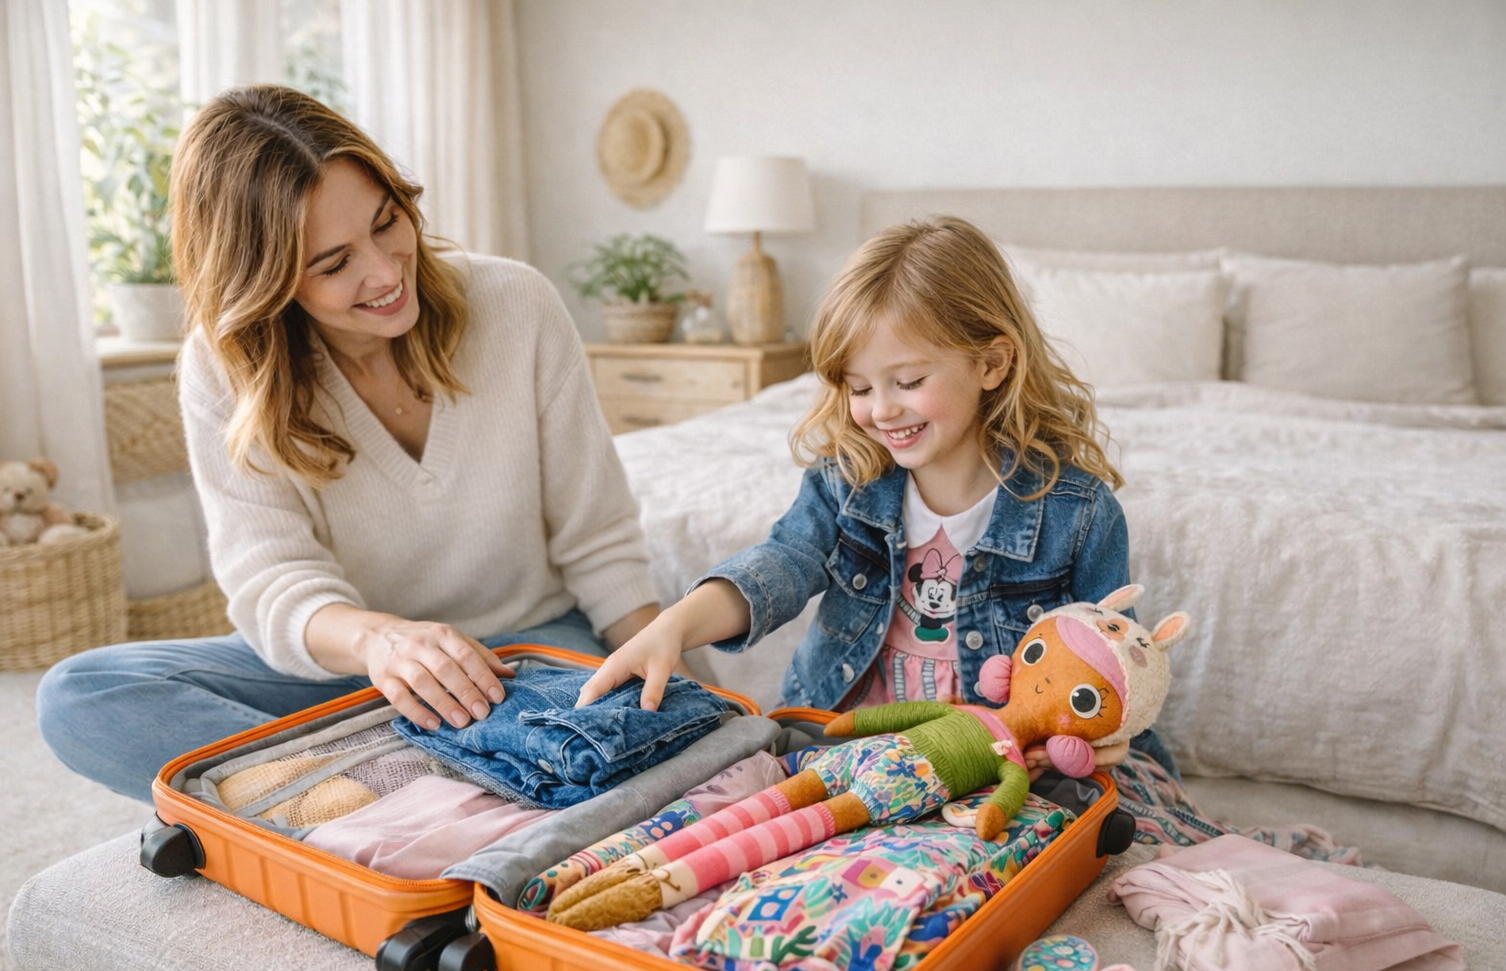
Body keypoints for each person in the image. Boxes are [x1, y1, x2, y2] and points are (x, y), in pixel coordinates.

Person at [37, 85, 659, 803]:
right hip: (349, 669)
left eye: (388, 222)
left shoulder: (516, 304)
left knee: (596, 735)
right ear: (266, 281)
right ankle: (408, 789)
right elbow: (274, 582)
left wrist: (681, 690)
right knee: (81, 694)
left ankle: (347, 798)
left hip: (526, 654)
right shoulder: (227, 364)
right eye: (334, 264)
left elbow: (601, 539)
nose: (387, 272)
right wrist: (382, 644)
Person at [577, 215, 1180, 780]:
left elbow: (1113, 661)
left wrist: (1095, 737)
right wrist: (675, 627)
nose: (881, 410)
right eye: (859, 387)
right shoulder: (847, 480)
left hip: (993, 758)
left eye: (909, 381)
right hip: (848, 741)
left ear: (992, 364)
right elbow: (783, 563)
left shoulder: (1078, 512)